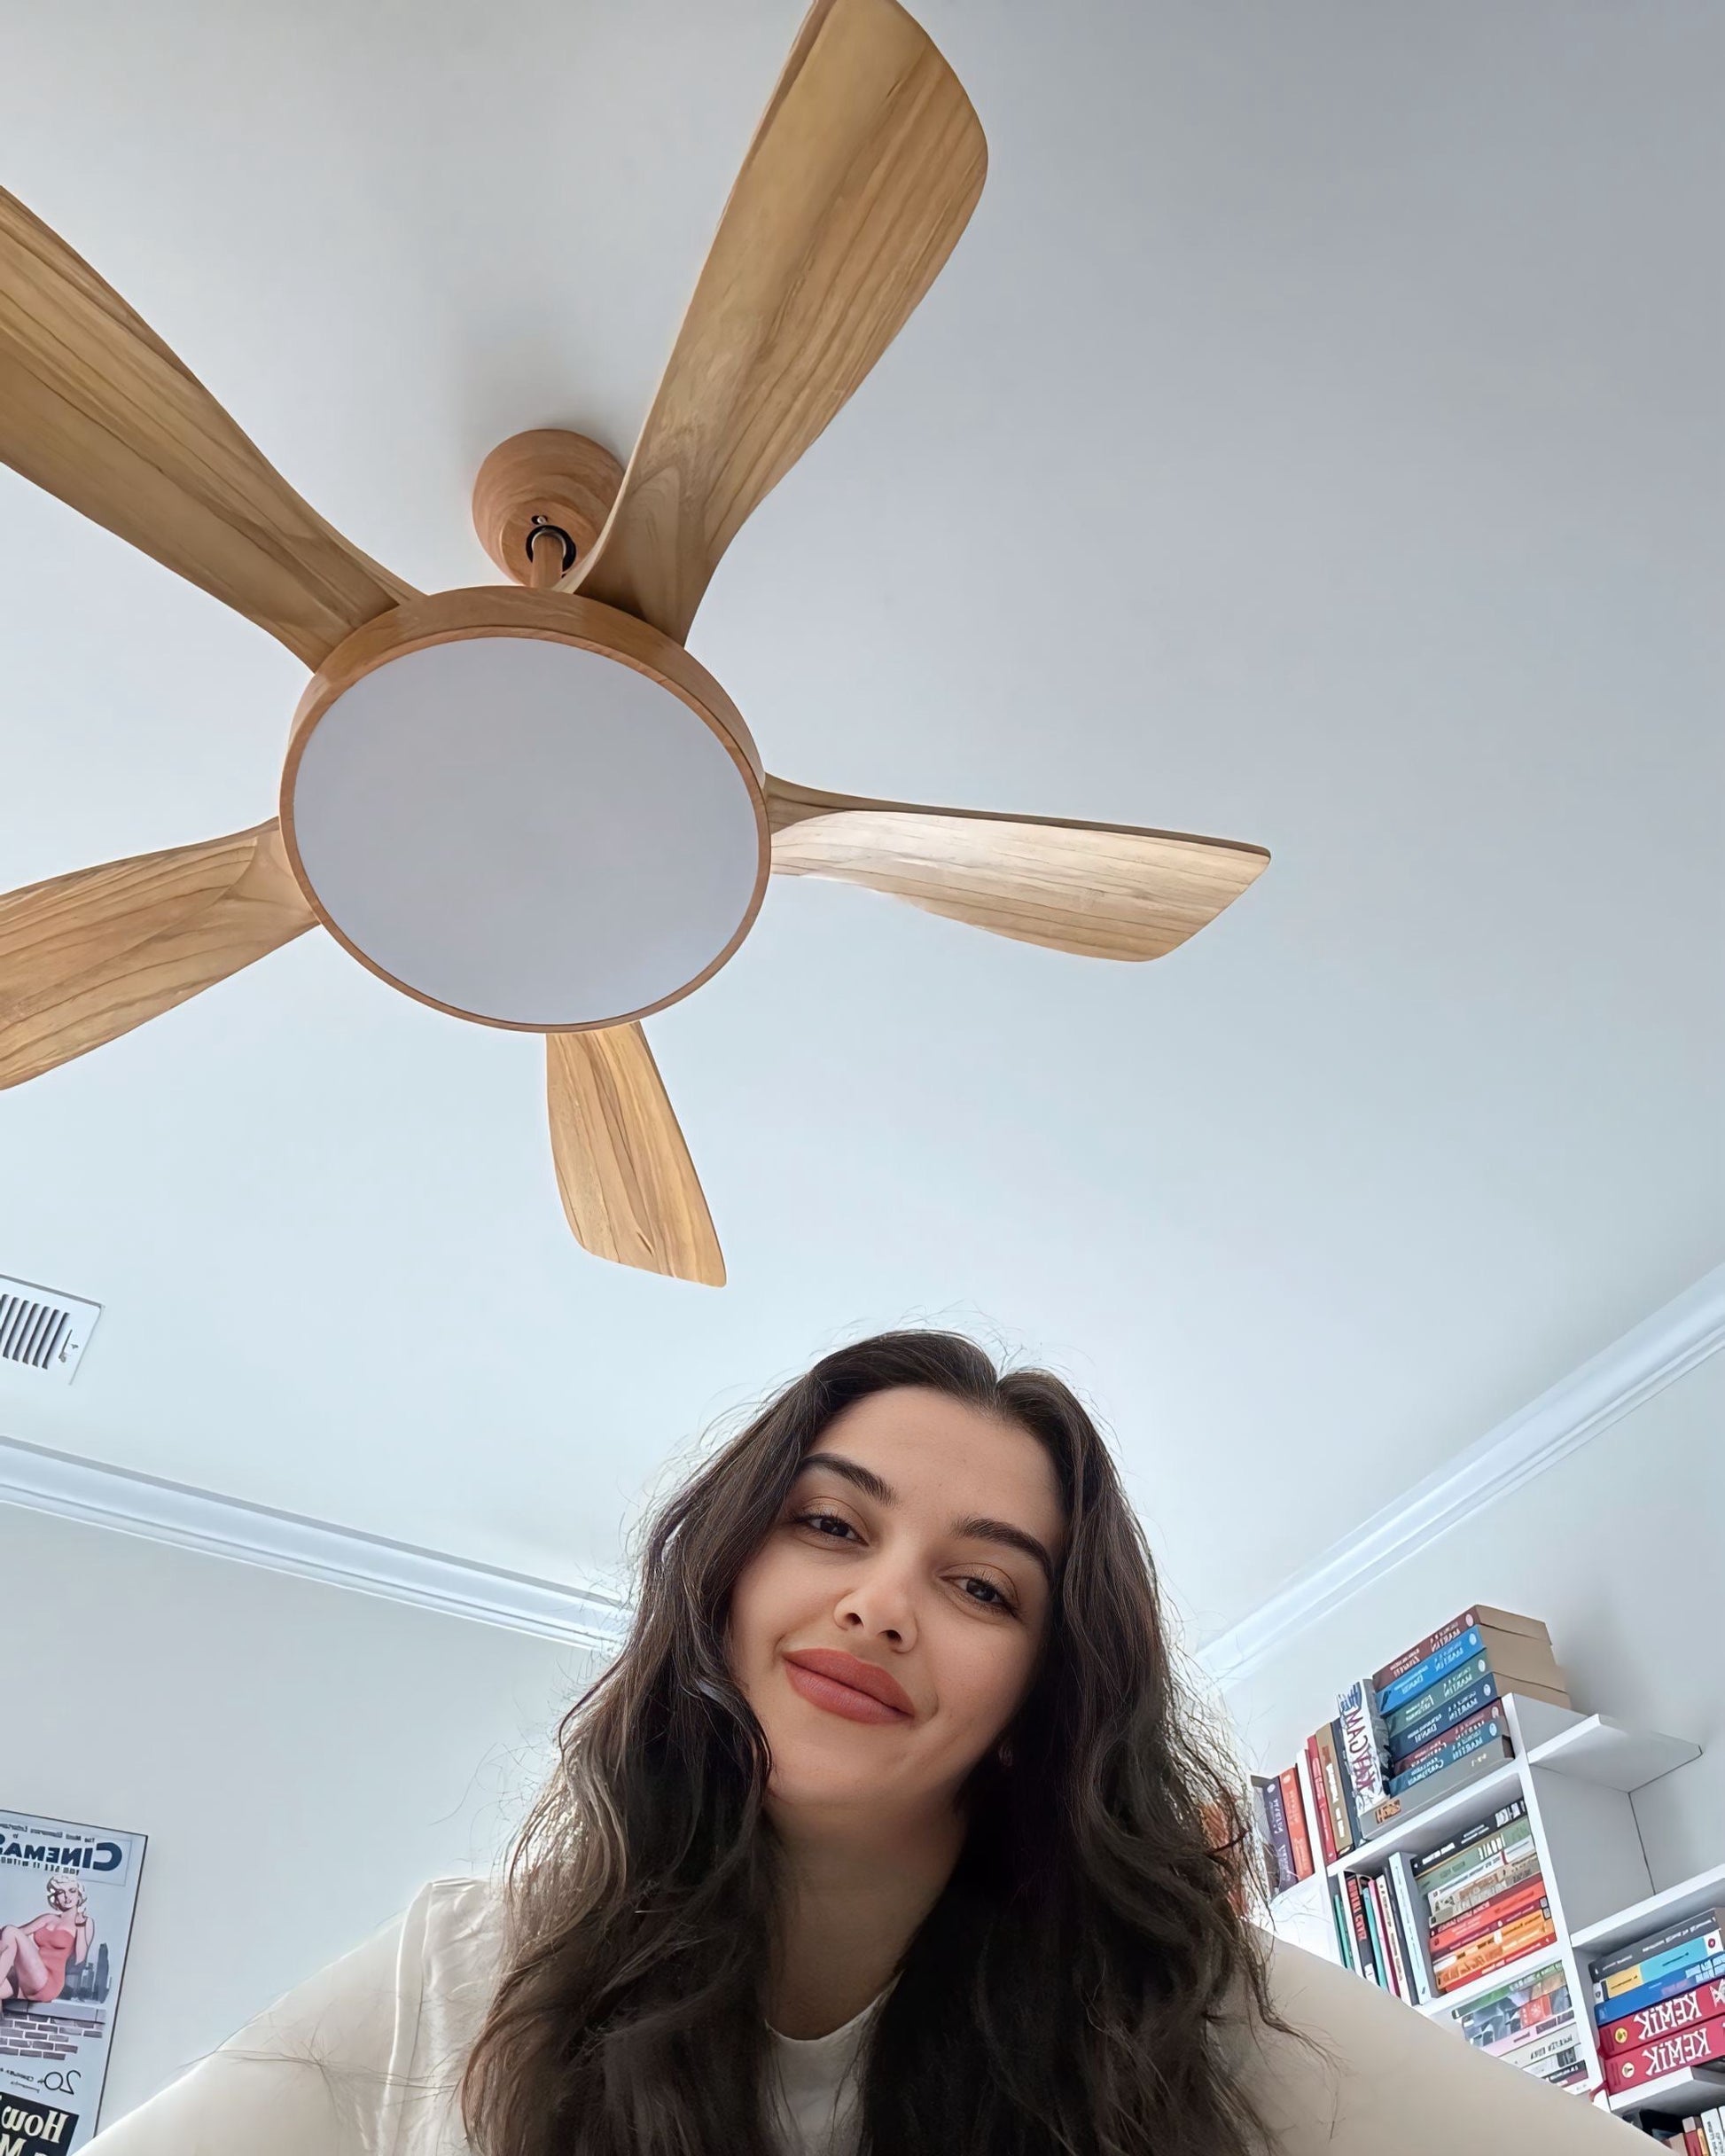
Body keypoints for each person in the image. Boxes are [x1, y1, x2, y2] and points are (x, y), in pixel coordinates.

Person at [89, 1332, 1637, 2153]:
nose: (881, 1603)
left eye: (980, 1586)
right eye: (830, 1524)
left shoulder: (1180, 2003)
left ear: (1041, 1702)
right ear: (724, 1578)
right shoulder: (463, 1970)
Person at [0, 1873, 93, 2005]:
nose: (67, 1896)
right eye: (61, 1892)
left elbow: (80, 1958)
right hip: (29, 1978)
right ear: (55, 1897)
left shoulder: (85, 1922)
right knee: (7, 1935)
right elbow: (10, 1936)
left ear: (79, 1894)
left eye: (72, 1890)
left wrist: (81, 1926)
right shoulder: (48, 1918)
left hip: (49, 1982)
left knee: (10, 1931)